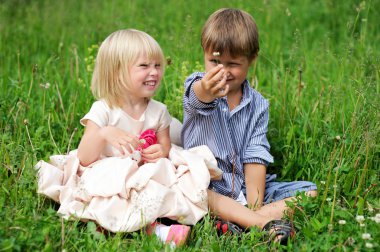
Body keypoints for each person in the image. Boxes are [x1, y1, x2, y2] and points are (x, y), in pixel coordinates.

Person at [35, 29, 223, 247]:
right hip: (108, 175)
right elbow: (85, 158)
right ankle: (156, 231)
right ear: (116, 72)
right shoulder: (104, 110)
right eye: (144, 66)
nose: (154, 72)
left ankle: (165, 222)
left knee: (164, 182)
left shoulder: (158, 111)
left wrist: (160, 151)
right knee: (108, 198)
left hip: (143, 173)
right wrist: (104, 132)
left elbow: (165, 146)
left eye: (157, 65)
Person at [181, 8, 317, 244]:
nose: (221, 71)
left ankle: (242, 221)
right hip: (206, 186)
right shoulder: (198, 85)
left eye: (232, 64)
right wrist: (206, 89)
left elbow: (255, 156)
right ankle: (261, 224)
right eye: (214, 61)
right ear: (203, 54)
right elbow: (196, 98)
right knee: (193, 190)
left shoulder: (258, 105)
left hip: (243, 188)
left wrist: (254, 203)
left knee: (310, 193)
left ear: (251, 59)